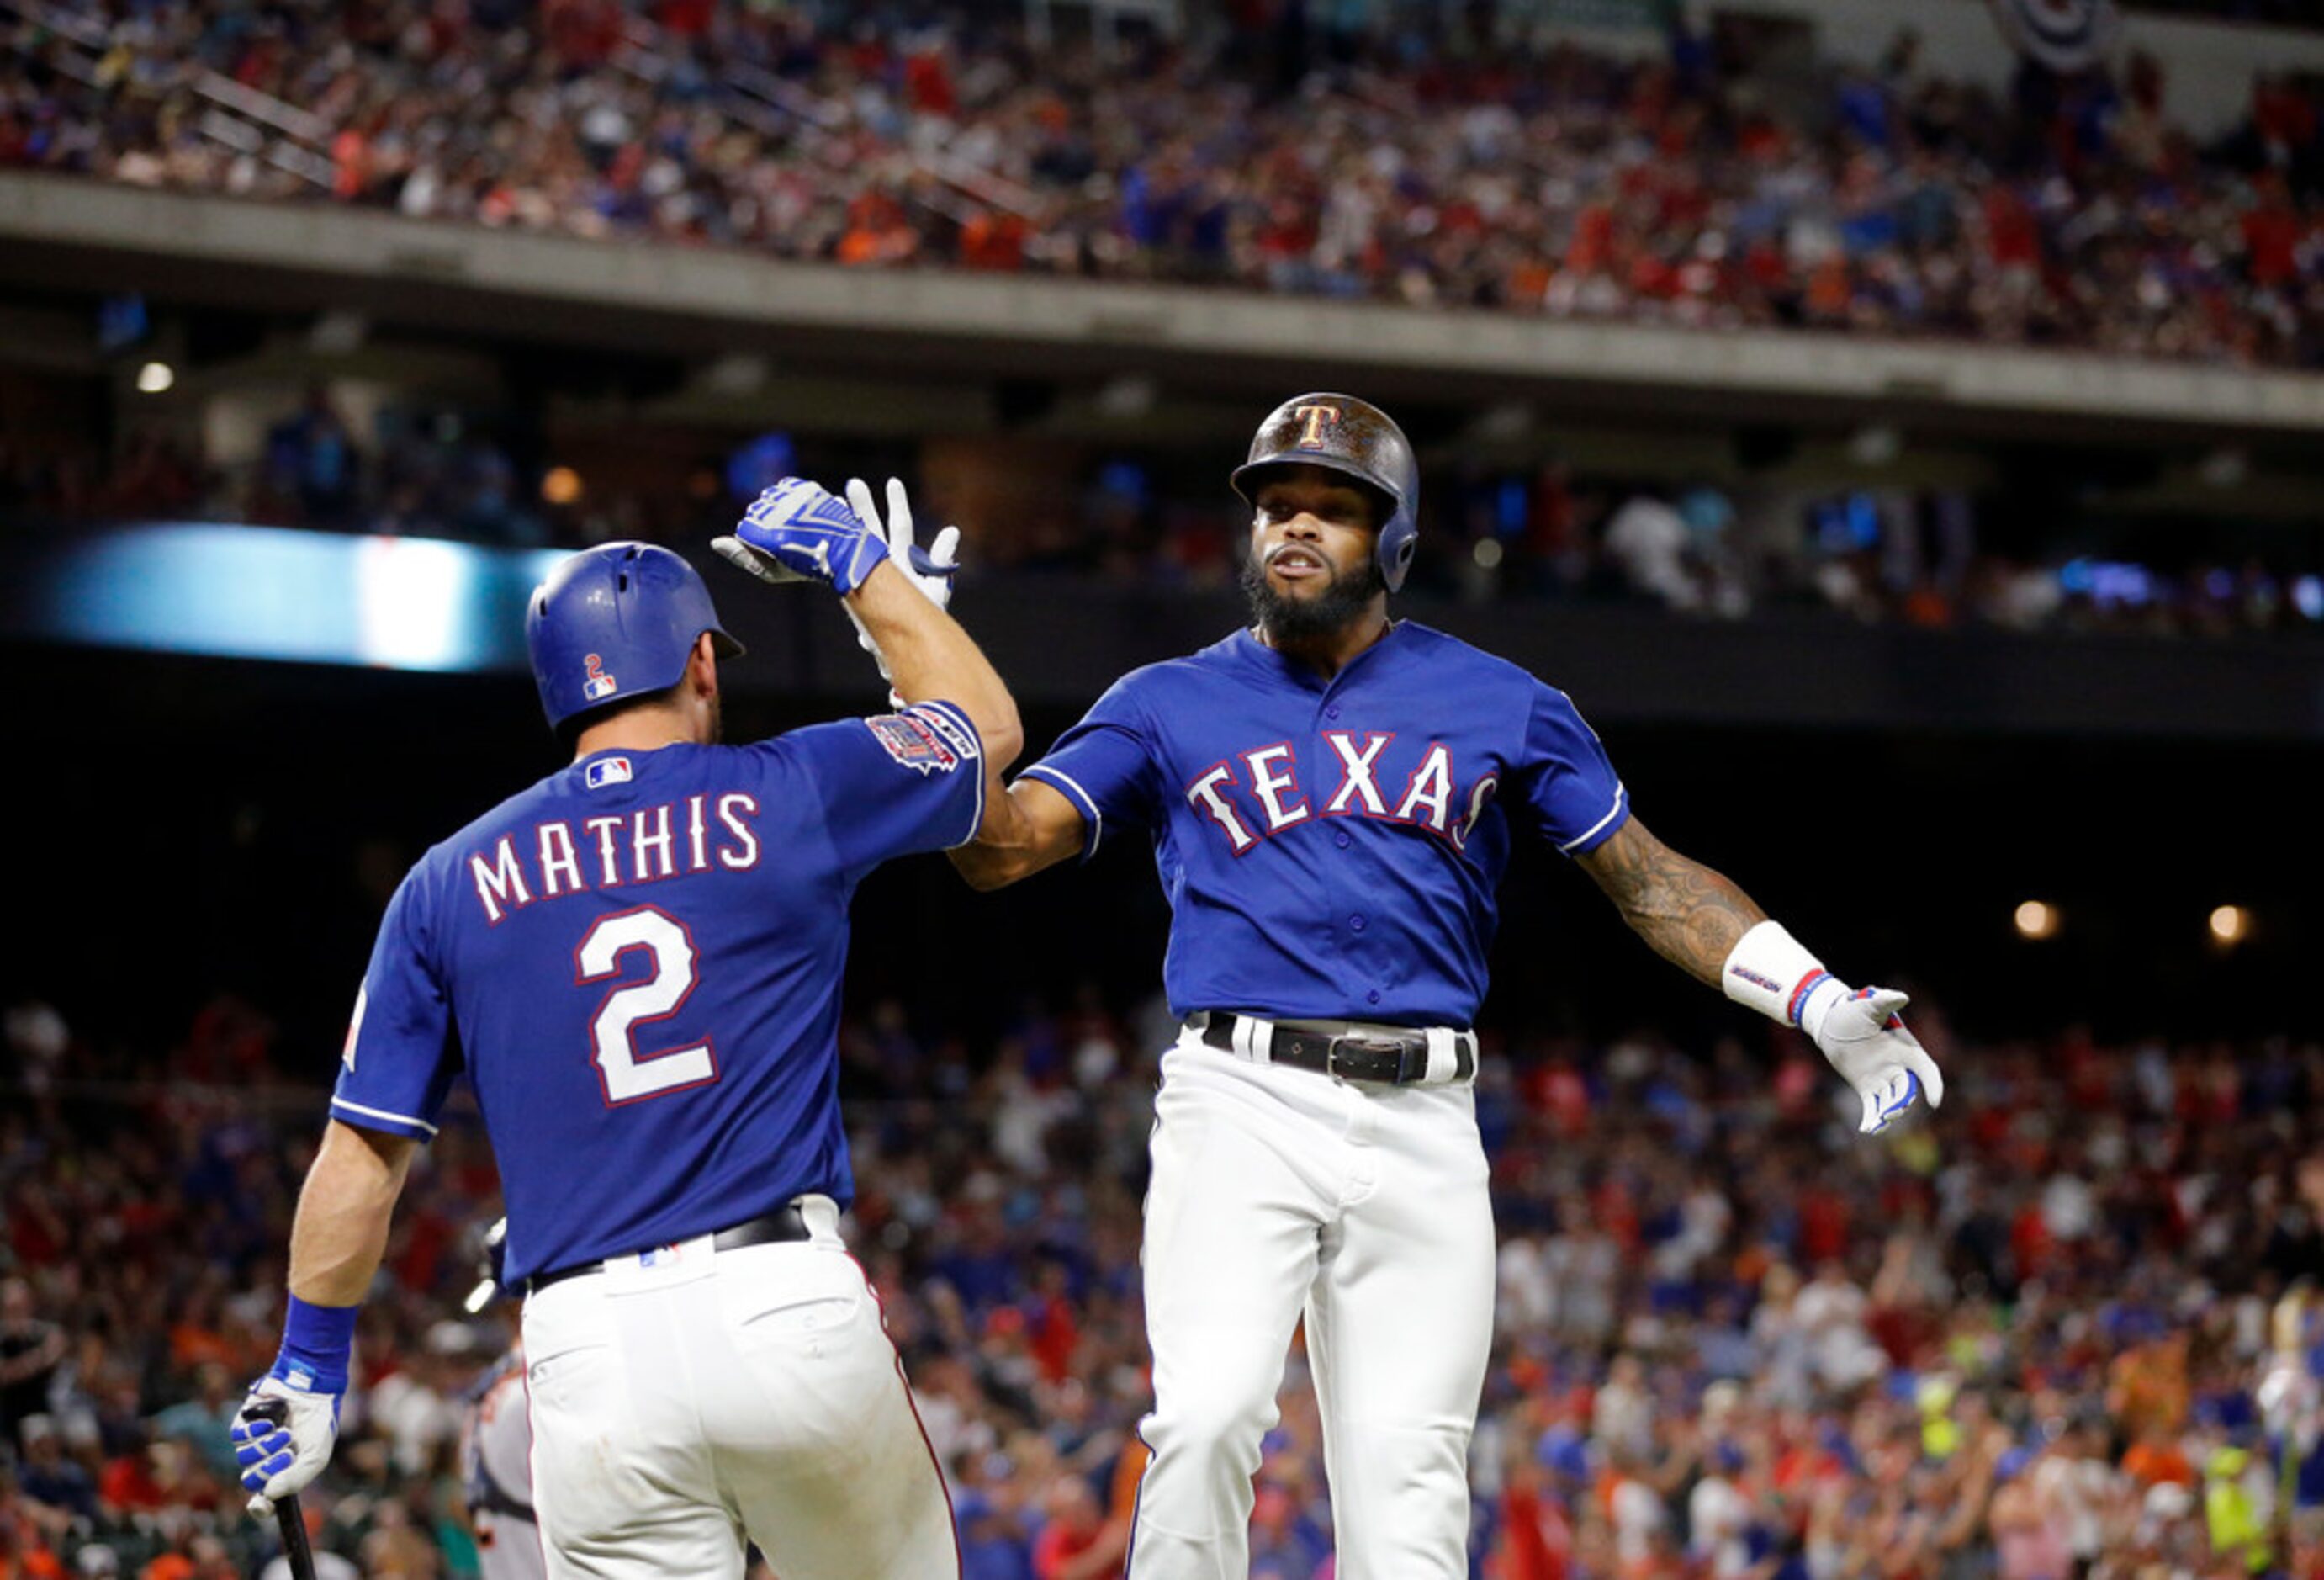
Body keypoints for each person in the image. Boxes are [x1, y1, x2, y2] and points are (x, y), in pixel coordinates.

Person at [946, 393, 1945, 1577]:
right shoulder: (1167, 698)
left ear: (1400, 540)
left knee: (1413, 1493)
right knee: (1207, 1418)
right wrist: (920, 651)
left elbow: (1648, 879)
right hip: (1239, 1096)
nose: (1293, 528)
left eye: (1332, 508)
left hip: (1426, 1114)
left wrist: (1815, 997)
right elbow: (1001, 846)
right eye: (1275, 505)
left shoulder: (1502, 700)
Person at [229, 478, 1024, 1579]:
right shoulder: (791, 785)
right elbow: (985, 730)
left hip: (587, 1353)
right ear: (703, 662)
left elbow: (361, 1151)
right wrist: (875, 586)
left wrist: (309, 1367)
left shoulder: (447, 881)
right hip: (779, 1302)